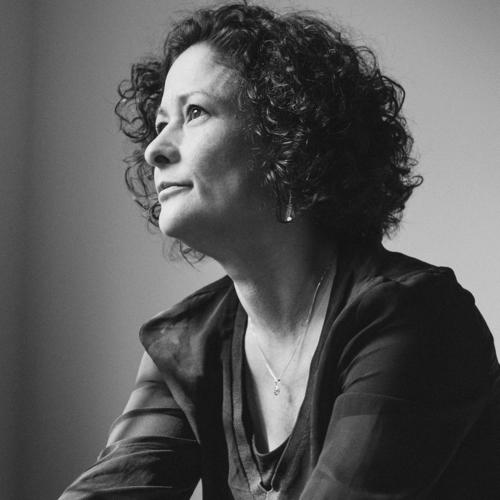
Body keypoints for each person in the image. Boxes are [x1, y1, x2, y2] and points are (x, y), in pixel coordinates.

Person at [59, 3, 500, 499]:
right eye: (161, 122)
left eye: (194, 112)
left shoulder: (414, 316)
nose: (154, 149)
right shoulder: (186, 344)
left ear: (287, 143)